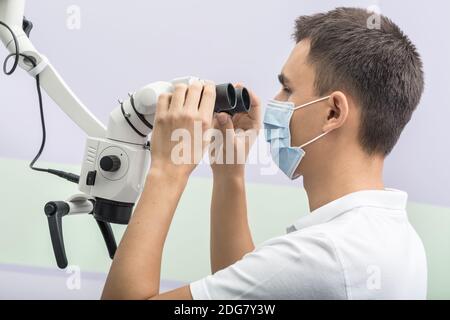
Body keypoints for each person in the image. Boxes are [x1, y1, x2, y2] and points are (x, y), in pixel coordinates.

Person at [101, 7, 426, 300]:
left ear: (332, 113)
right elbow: (252, 287)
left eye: (287, 89)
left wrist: (167, 170)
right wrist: (229, 172)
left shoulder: (324, 255)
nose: (275, 101)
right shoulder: (396, 238)